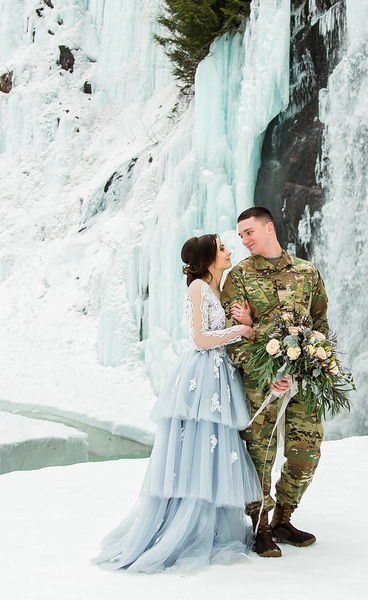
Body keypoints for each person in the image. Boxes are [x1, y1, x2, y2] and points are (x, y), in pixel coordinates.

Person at [92, 234, 261, 574]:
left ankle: (208, 524)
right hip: (202, 372)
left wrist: (242, 323)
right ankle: (186, 527)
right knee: (200, 445)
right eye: (223, 248)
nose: (229, 252)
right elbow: (199, 338)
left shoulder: (218, 287)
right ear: (209, 257)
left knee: (214, 448)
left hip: (219, 373)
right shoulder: (198, 288)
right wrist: (239, 332)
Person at [221, 206, 330, 558]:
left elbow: (320, 323)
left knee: (307, 452)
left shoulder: (306, 272)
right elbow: (231, 335)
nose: (244, 240)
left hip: (303, 381)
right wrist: (267, 371)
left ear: (269, 227)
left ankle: (284, 518)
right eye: (240, 235)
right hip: (260, 384)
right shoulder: (238, 277)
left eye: (249, 232)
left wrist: (314, 361)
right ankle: (260, 527)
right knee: (260, 455)